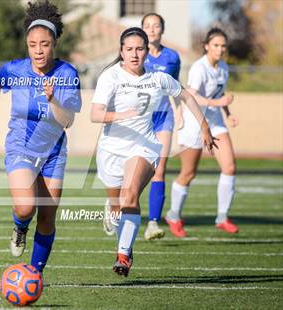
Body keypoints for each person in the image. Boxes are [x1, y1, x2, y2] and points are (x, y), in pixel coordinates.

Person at [91, 27, 216, 277]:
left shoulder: (159, 78)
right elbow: (95, 114)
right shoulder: (110, 77)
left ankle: (124, 255)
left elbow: (187, 96)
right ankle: (113, 210)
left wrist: (204, 127)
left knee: (130, 197)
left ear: (147, 51)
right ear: (121, 52)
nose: (135, 54)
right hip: (111, 149)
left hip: (144, 146)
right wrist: (121, 115)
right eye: (129, 49)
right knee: (118, 205)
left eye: (139, 49)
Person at [0, 0, 81, 273]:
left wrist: (53, 100)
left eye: (45, 44)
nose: (38, 50)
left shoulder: (67, 74)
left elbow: (68, 120)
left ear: (54, 43)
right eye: (33, 44)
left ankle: (34, 273)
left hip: (53, 152)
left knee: (47, 218)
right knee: (26, 208)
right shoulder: (14, 69)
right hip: (20, 146)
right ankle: (20, 227)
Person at [165, 27, 238, 238]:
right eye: (216, 45)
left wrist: (228, 112)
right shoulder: (199, 68)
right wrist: (219, 102)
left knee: (230, 167)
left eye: (223, 45)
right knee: (188, 173)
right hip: (194, 122)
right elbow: (192, 97)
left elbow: (220, 93)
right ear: (207, 46)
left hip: (215, 121)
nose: (220, 49)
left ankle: (222, 217)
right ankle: (173, 215)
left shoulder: (223, 67)